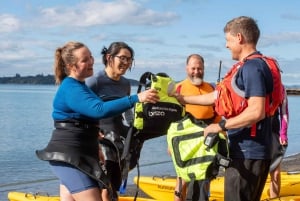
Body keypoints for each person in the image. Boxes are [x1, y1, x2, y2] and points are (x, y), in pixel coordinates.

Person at [35, 41, 159, 201]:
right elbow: (99, 109)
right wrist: (136, 98)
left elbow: (86, 119)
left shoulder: (80, 86)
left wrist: (96, 144)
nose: (91, 61)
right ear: (72, 66)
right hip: (69, 155)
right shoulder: (71, 87)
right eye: (84, 60)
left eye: (91, 57)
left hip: (81, 152)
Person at [175, 16, 274, 201]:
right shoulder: (246, 66)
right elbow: (216, 96)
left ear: (239, 38)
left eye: (228, 40)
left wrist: (220, 126)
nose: (227, 45)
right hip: (243, 151)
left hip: (249, 153)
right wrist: (183, 99)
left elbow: (256, 111)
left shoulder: (252, 67)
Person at [85, 41, 135, 200]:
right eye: (123, 58)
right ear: (109, 57)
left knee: (115, 181)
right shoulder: (95, 81)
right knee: (104, 186)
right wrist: (91, 132)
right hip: (99, 135)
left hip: (118, 135)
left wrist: (134, 128)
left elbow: (127, 109)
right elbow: (83, 109)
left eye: (129, 59)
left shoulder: (125, 83)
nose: (126, 63)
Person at [173, 54, 221, 201]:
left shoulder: (211, 88)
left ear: (204, 69)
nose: (196, 71)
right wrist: (170, 144)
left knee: (206, 177)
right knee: (182, 179)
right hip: (184, 141)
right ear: (187, 68)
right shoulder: (178, 88)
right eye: (193, 68)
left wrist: (221, 134)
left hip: (208, 139)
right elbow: (171, 120)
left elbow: (218, 115)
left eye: (199, 68)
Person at [269, 87, 289, 198]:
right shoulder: (254, 81)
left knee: (275, 174)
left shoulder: (280, 87)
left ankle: (274, 198)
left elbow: (284, 111)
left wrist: (283, 133)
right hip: (255, 133)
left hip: (274, 132)